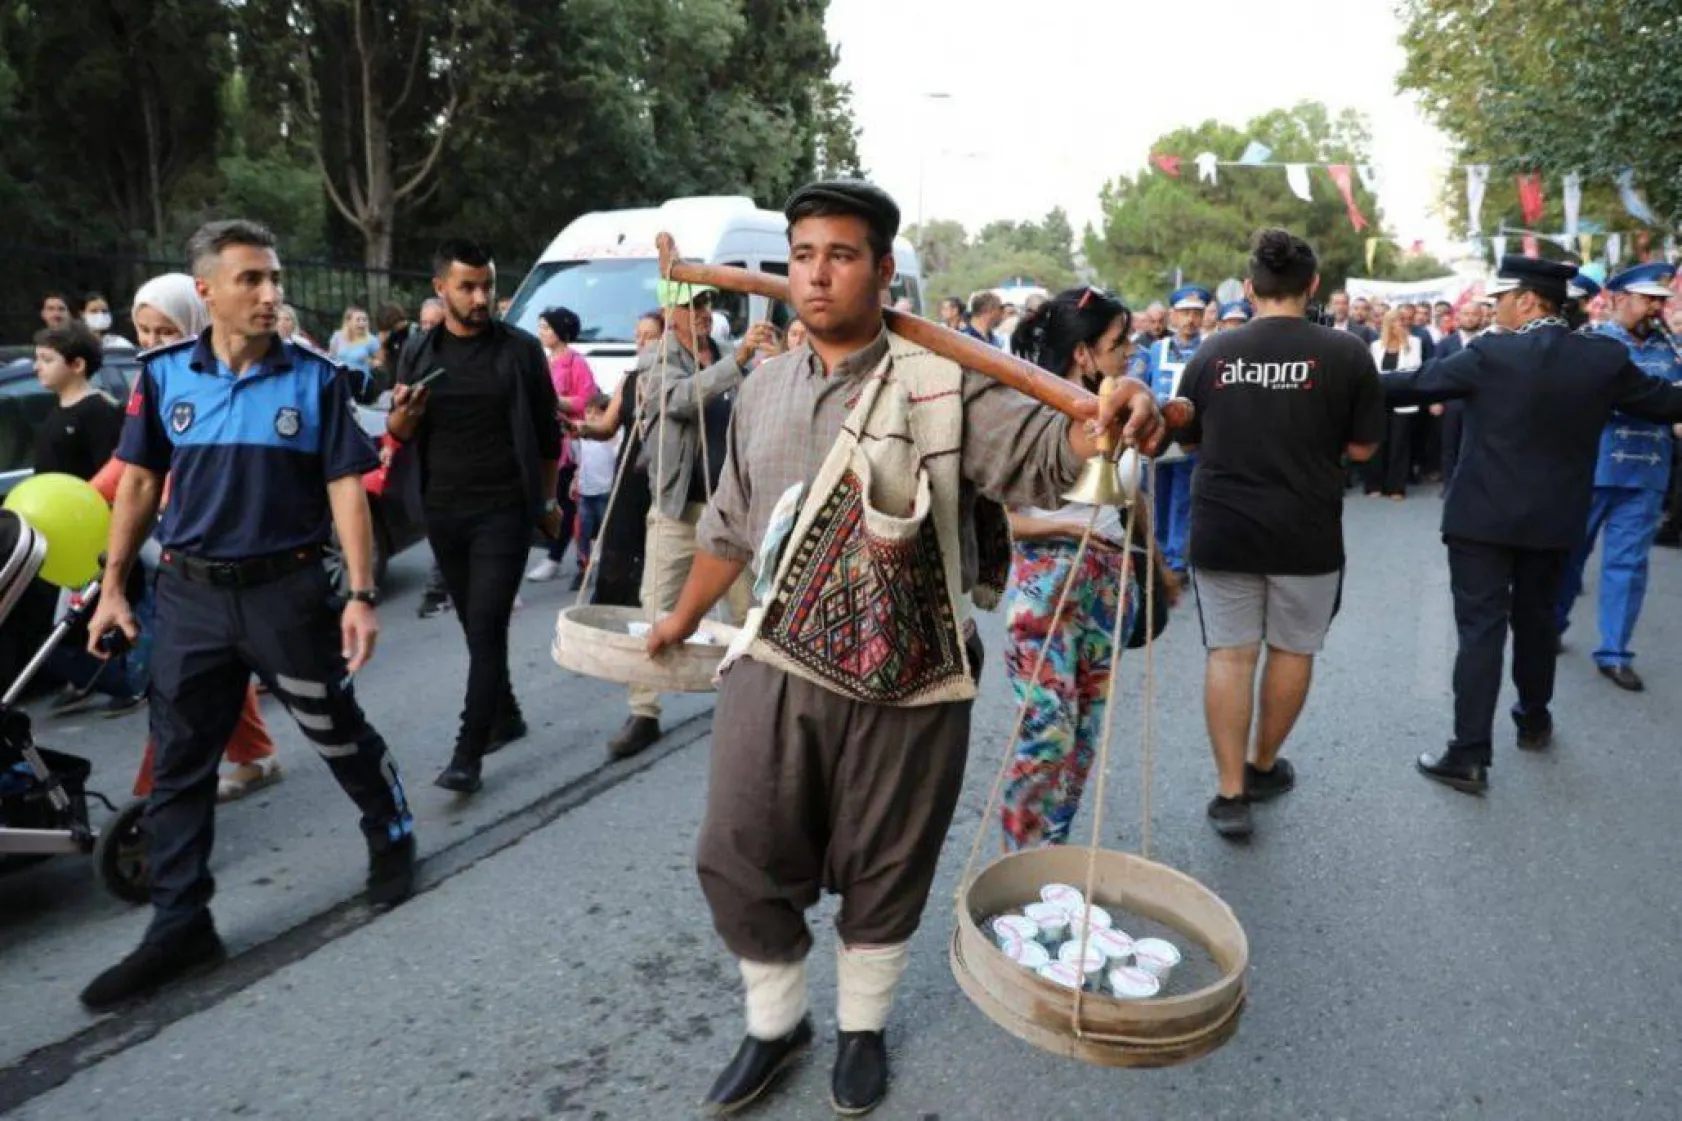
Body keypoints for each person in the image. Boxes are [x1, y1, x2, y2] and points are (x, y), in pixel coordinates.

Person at [647, 179, 1164, 1116]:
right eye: (803, 255)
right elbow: (727, 527)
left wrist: (1106, 409)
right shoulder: (761, 387)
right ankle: (775, 1022)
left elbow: (1053, 451)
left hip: (915, 667)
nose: (817, 274)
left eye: (841, 255)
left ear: (883, 272)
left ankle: (861, 1026)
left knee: (887, 857)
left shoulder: (946, 380)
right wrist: (680, 621)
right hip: (776, 661)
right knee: (737, 843)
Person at [79, 219, 415, 1011]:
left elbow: (345, 488)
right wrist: (116, 585)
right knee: (180, 759)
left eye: (275, 279)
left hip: (285, 592)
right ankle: (180, 923)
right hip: (191, 596)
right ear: (207, 291)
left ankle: (390, 831)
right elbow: (135, 485)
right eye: (251, 280)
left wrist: (362, 594)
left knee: (332, 726)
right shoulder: (162, 377)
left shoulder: (315, 377)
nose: (271, 294)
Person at [1379, 256, 1682, 794]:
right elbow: (1666, 403)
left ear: (1526, 300)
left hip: (1481, 520)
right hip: (1554, 521)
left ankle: (1469, 754)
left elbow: (1410, 385)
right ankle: (1534, 721)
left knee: (1480, 632)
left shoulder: (1490, 353)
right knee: (1537, 623)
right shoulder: (1603, 359)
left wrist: (1326, 369)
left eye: (1499, 300)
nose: (1494, 311)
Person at [1175, 229, 1384, 838]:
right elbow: (1365, 446)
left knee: (1230, 654)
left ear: (1249, 289)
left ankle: (1230, 792)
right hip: (1307, 530)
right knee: (1293, 650)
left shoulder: (1212, 353)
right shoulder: (1345, 353)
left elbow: (1187, 438)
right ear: (1312, 286)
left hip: (1225, 529)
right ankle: (1263, 764)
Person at [386, 240, 563, 795]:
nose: (481, 296)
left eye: (486, 284)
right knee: (473, 624)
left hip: (503, 512)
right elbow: (398, 433)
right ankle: (505, 711)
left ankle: (469, 752)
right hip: (442, 511)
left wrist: (550, 502)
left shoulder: (520, 351)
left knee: (486, 626)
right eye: (468, 286)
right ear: (441, 289)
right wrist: (402, 420)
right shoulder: (418, 350)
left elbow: (548, 439)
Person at [117, 273, 284, 799]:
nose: (150, 342)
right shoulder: (155, 380)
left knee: (185, 682)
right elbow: (133, 470)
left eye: (163, 330)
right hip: (185, 559)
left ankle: (155, 800)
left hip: (234, 555)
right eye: (142, 331)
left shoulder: (231, 377)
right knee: (199, 674)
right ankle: (243, 759)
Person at [1000, 287, 1143, 848]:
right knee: (1046, 735)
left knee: (1083, 740)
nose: (1130, 350)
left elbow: (1131, 499)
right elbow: (1002, 522)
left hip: (1109, 589)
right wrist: (1069, 528)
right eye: (1118, 341)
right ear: (1083, 353)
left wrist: (1152, 563)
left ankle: (1051, 867)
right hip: (1046, 590)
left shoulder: (1128, 411)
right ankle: (1017, 864)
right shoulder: (1028, 415)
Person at [604, 284, 769, 761]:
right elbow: (677, 399)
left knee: (745, 610)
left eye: (705, 303)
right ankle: (644, 711)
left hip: (730, 508)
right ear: (668, 311)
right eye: (691, 304)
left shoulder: (720, 353)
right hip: (678, 507)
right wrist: (737, 362)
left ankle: (750, 702)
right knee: (654, 607)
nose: (702, 312)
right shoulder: (656, 358)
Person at [1554, 263, 1682, 694]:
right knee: (1569, 556)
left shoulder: (1672, 350)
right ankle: (1551, 625)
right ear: (1618, 298)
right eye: (1648, 299)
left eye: (1660, 301)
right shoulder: (1590, 344)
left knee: (1627, 565)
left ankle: (1615, 652)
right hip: (1592, 466)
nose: (1656, 308)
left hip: (1647, 470)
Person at [31, 321, 145, 716]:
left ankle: (123, 683)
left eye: (47, 359)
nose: (37, 367)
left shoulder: (97, 411)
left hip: (87, 535)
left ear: (77, 364)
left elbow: (117, 477)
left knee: (69, 618)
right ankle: (87, 679)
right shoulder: (55, 412)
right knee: (63, 620)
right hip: (54, 532)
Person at [1131, 282, 1210, 576]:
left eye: (1196, 313)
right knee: (1155, 496)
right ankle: (1159, 553)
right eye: (1184, 313)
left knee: (1183, 499)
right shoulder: (1156, 349)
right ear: (1173, 316)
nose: (1190, 320)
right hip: (1158, 436)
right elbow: (1139, 386)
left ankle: (1177, 559)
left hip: (1192, 439)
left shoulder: (1209, 349)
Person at [527, 307, 600, 586]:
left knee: (563, 501)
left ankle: (556, 557)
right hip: (543, 438)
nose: (541, 332)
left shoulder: (576, 363)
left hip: (568, 444)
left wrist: (558, 401)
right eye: (540, 327)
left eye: (546, 327)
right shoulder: (542, 362)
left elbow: (587, 400)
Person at [1364, 310, 1423, 500]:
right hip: (1379, 399)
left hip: (1402, 399)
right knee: (1378, 442)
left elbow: (1415, 368)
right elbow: (1372, 372)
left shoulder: (1414, 343)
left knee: (1399, 444)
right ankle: (1374, 485)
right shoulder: (1376, 345)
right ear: (1387, 324)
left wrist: (1405, 343)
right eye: (1396, 321)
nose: (1401, 324)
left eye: (1403, 321)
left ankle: (1396, 487)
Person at [1433, 300, 1485, 489]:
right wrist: (1435, 400)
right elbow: (1436, 373)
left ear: (1481, 317)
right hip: (1451, 402)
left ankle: (1473, 486)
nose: (1470, 318)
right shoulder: (1445, 343)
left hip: (1481, 404)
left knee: (1476, 446)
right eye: (1466, 314)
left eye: (1474, 314)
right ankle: (1449, 485)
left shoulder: (1488, 342)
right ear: (1458, 317)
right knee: (1449, 445)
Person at [329, 305, 379, 391]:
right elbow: (330, 358)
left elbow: (380, 363)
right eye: (358, 320)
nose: (362, 323)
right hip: (339, 381)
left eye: (364, 320)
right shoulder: (337, 337)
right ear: (348, 322)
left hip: (360, 384)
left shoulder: (371, 340)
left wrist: (371, 362)